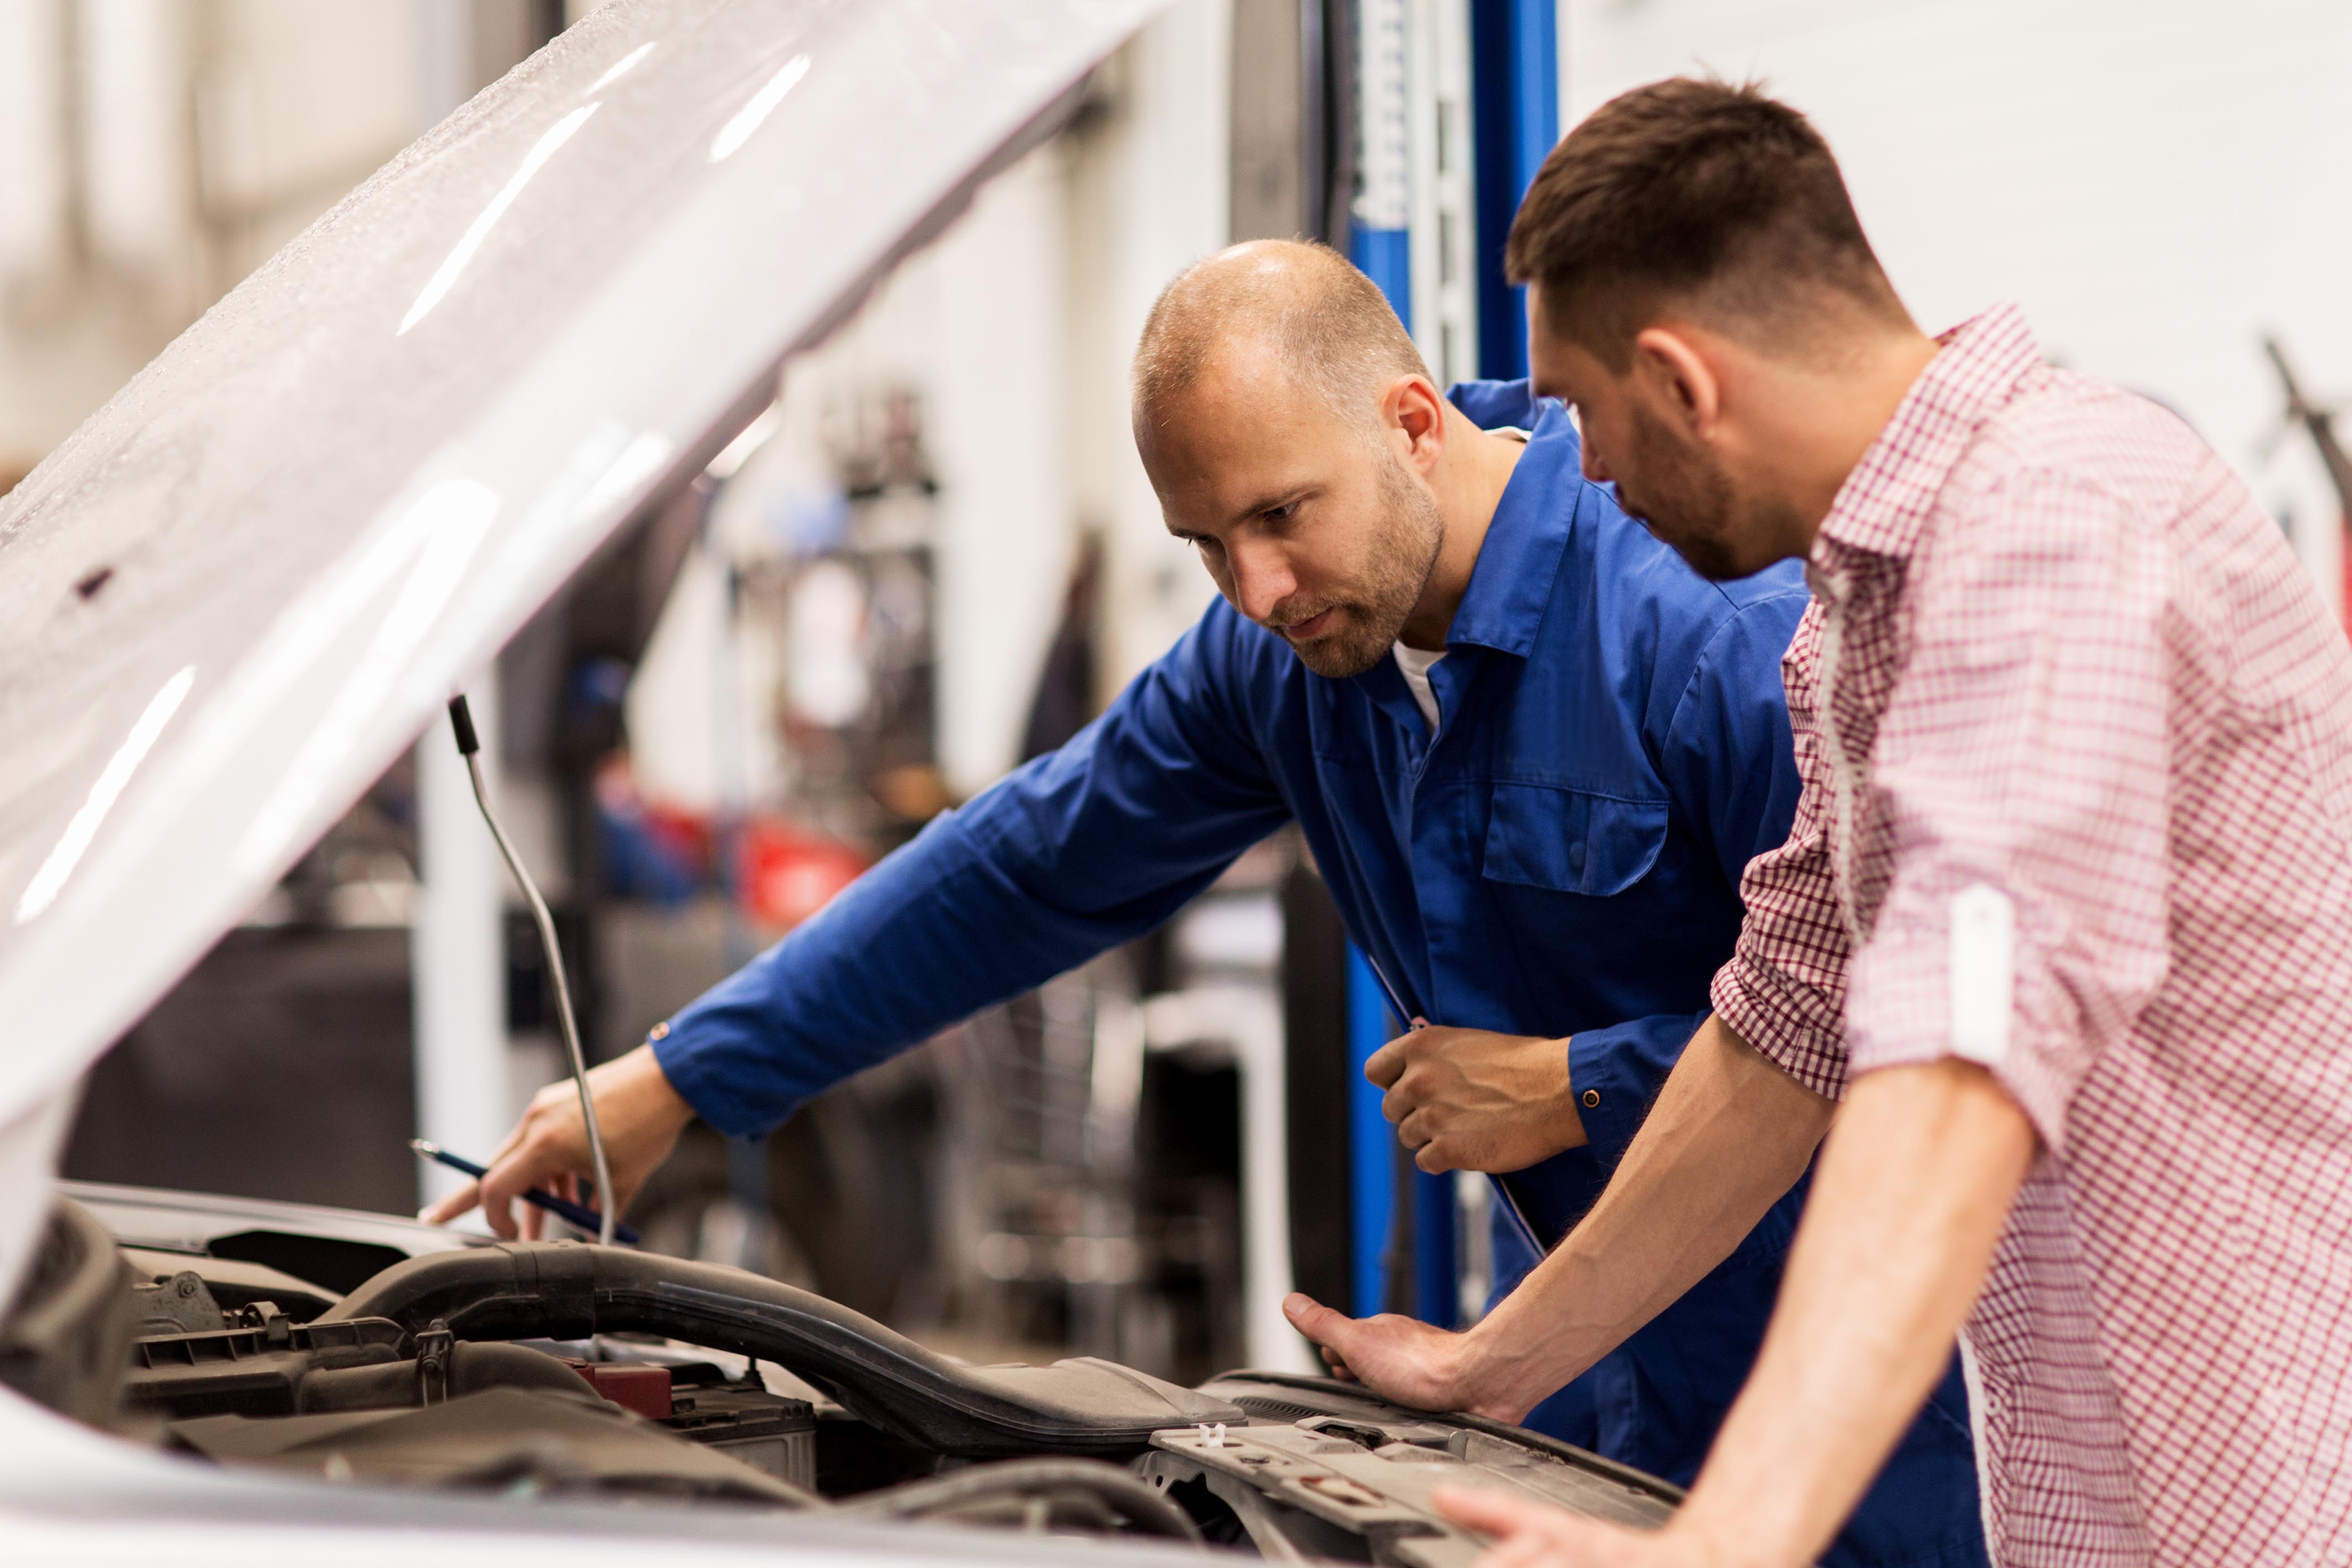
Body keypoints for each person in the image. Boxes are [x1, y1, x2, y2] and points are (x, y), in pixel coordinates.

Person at [427, 240, 1981, 1565]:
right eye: (1206, 543)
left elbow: (1929, 1047)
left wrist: (1581, 1084)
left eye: (1282, 516)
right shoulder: (1293, 662)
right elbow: (1027, 862)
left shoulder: (1709, 628)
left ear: (1413, 422)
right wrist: (681, 1075)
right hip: (1570, 1377)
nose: (1255, 589)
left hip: (1883, 1402)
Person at [1283, 78, 2352, 1568]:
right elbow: (1786, 1032)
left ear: (1686, 381)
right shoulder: (1862, 615)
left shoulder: (2054, 532)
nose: (1581, 466)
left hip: (2267, 1502)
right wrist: (1491, 1369)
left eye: (1586, 412)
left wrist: (1736, 1538)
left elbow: (1960, 1057)